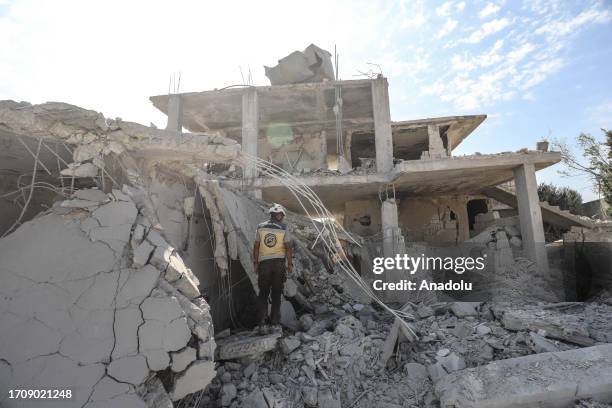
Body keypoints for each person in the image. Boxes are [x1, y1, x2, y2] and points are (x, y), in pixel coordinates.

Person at [253, 203, 293, 332]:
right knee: (276, 293)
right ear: (278, 215)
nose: (282, 217)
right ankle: (275, 323)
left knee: (263, 293)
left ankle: (262, 323)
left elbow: (256, 247)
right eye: (281, 215)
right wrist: (290, 264)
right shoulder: (283, 227)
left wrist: (255, 263)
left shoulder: (260, 226)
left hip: (264, 264)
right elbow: (288, 247)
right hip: (279, 264)